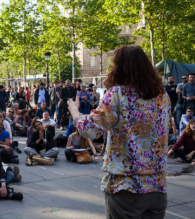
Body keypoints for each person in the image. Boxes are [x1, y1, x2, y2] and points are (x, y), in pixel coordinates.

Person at [68, 45, 169, 218]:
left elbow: (91, 129)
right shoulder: (162, 95)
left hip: (127, 187)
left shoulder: (118, 94)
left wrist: (75, 111)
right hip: (157, 186)